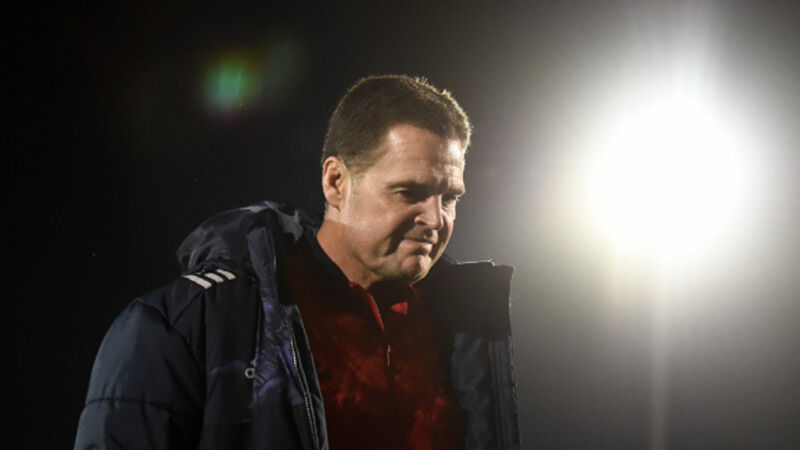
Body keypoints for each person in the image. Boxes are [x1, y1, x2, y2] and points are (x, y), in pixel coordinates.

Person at [75, 75, 520, 450]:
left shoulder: (464, 332)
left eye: (450, 197)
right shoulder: (185, 326)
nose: (436, 219)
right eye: (409, 192)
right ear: (335, 182)